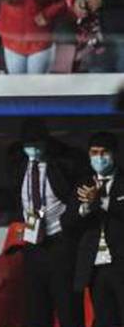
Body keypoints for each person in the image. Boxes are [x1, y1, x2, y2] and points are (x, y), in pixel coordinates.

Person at [7, 118, 84, 327]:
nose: (33, 149)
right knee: (36, 310)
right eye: (28, 145)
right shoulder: (19, 165)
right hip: (33, 246)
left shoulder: (63, 166)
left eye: (37, 144)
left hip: (60, 243)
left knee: (68, 308)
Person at [64, 132, 124, 327]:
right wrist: (86, 207)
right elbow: (68, 222)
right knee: (105, 319)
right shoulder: (84, 185)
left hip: (120, 263)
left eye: (104, 152)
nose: (99, 157)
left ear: (114, 154)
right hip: (95, 266)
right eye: (94, 152)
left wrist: (101, 201)